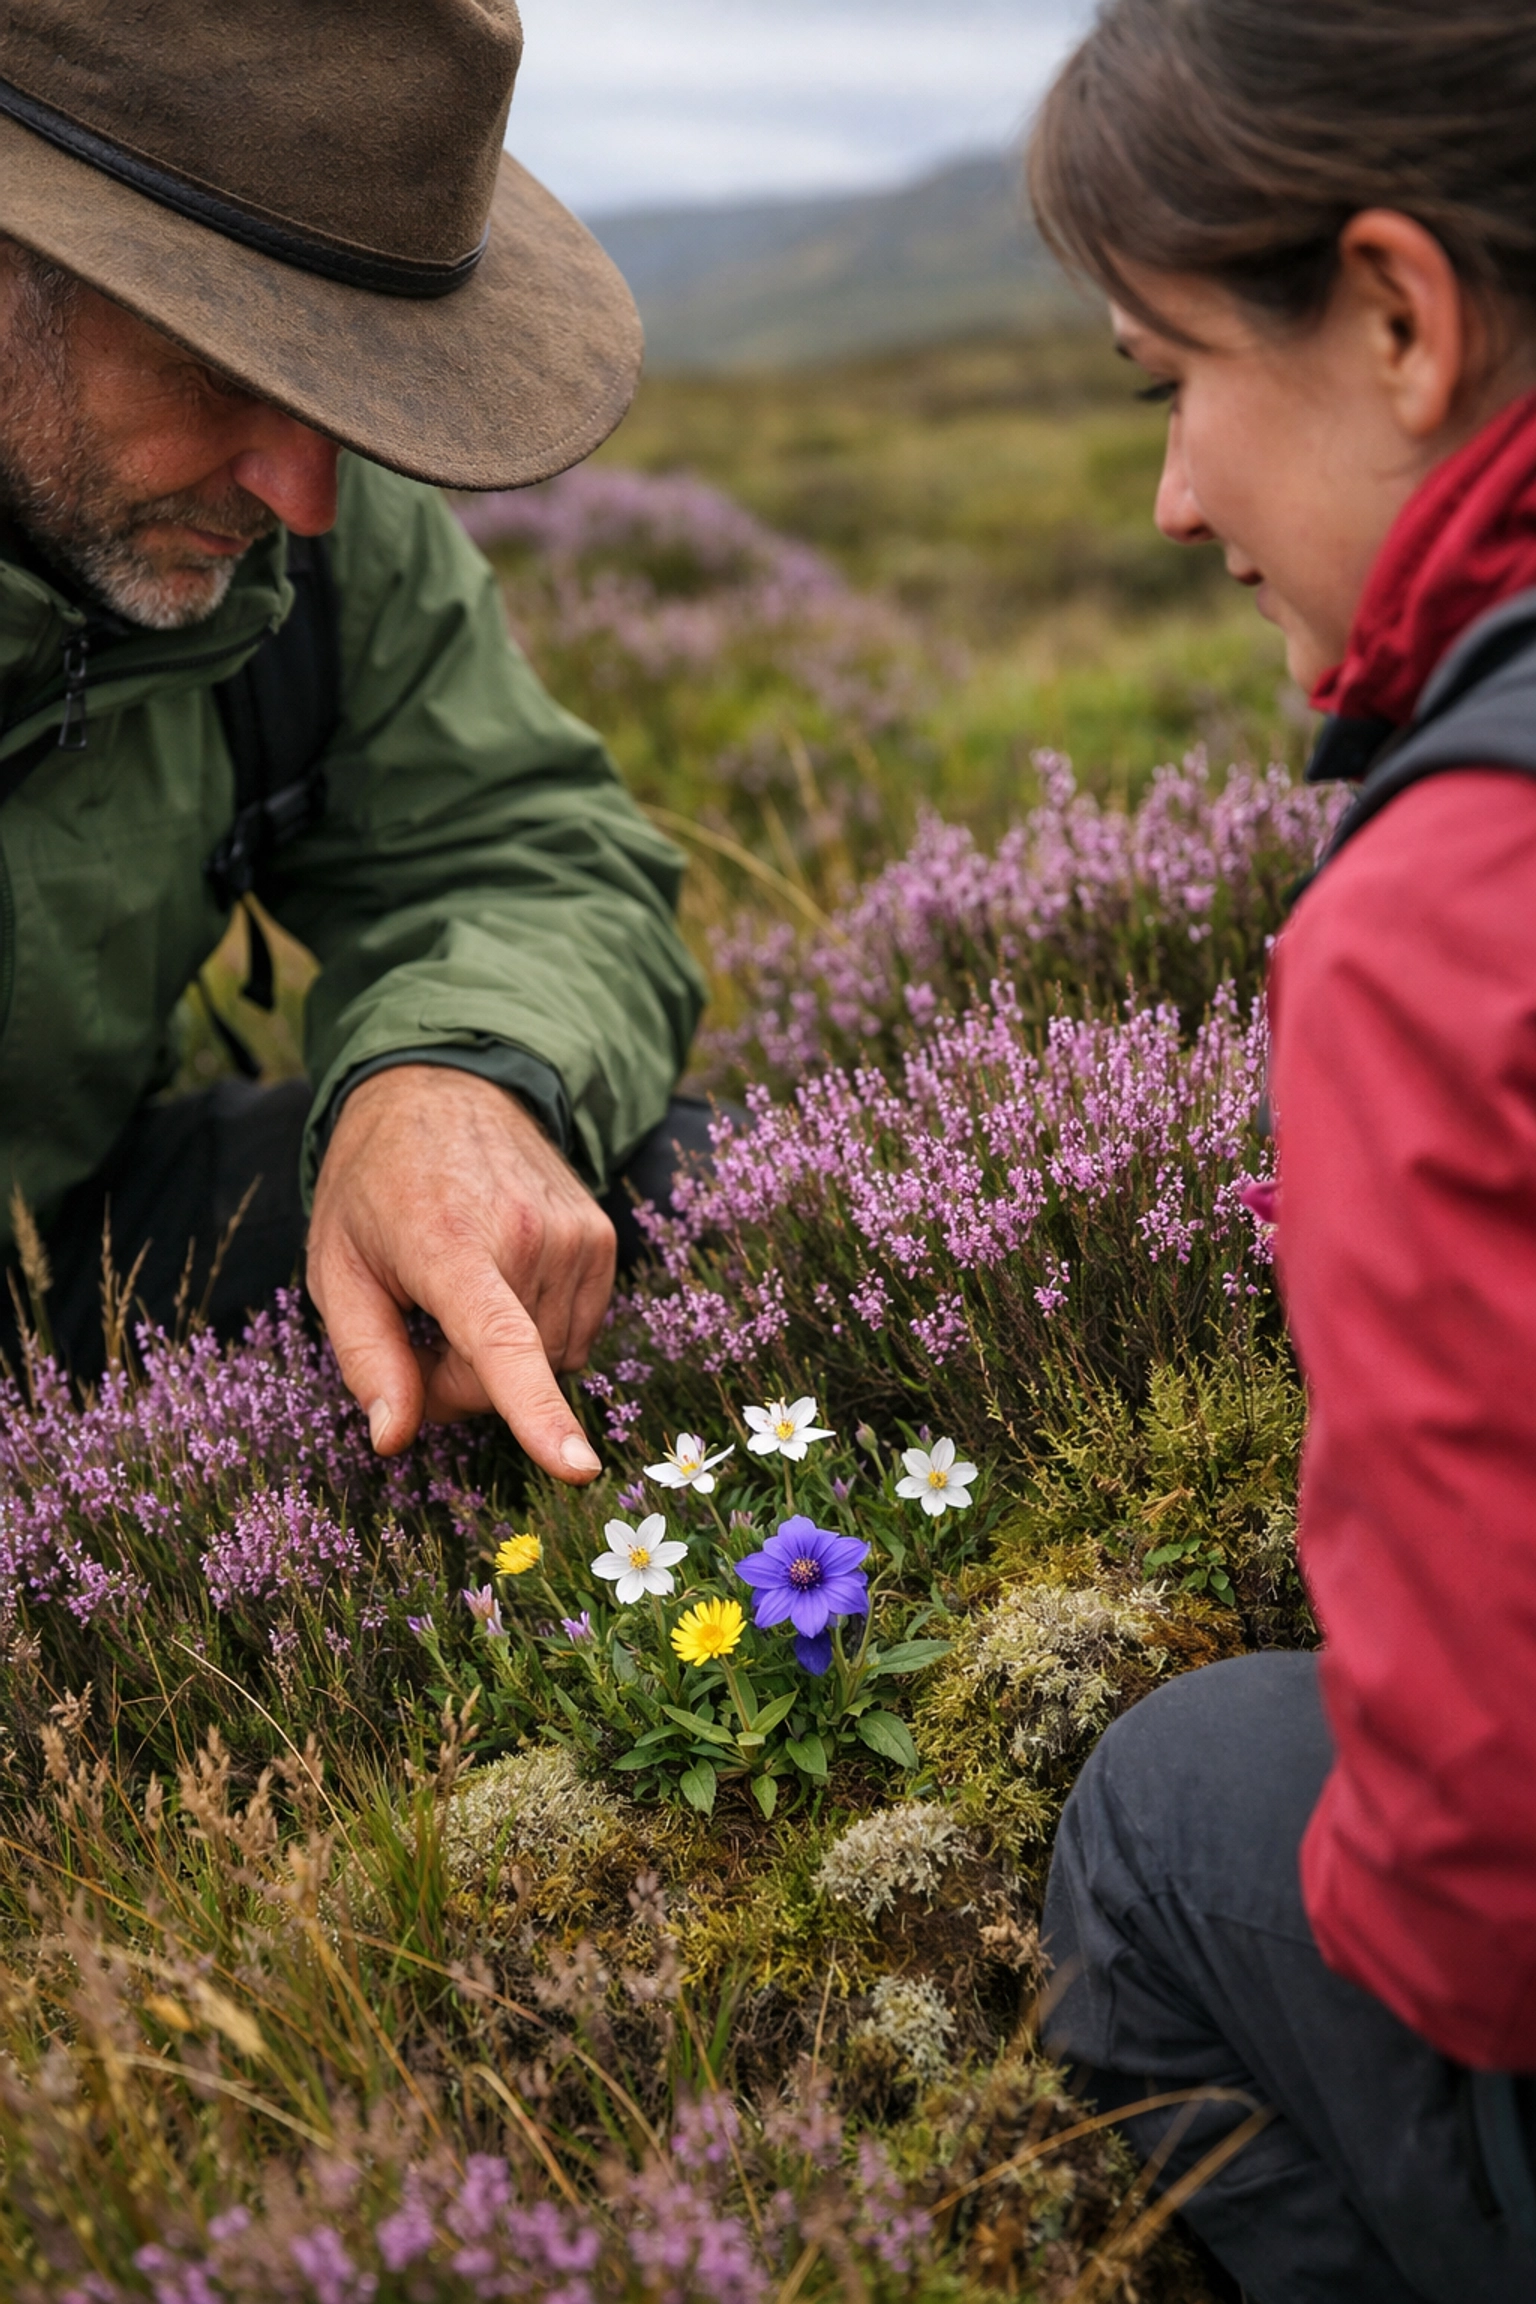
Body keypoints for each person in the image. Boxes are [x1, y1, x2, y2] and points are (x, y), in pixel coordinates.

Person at [1024, 3, 1536, 2297]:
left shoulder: (1444, 922)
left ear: (1404, 318)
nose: (1176, 499)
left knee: (1178, 1804)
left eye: (1173, 383)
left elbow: (1479, 1892)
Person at [0, 0, 708, 1484]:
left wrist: (447, 1081)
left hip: (63, 1242)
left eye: (343, 377)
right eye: (222, 367)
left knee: (647, 1190)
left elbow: (524, 844)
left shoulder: (301, 534)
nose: (307, 496)